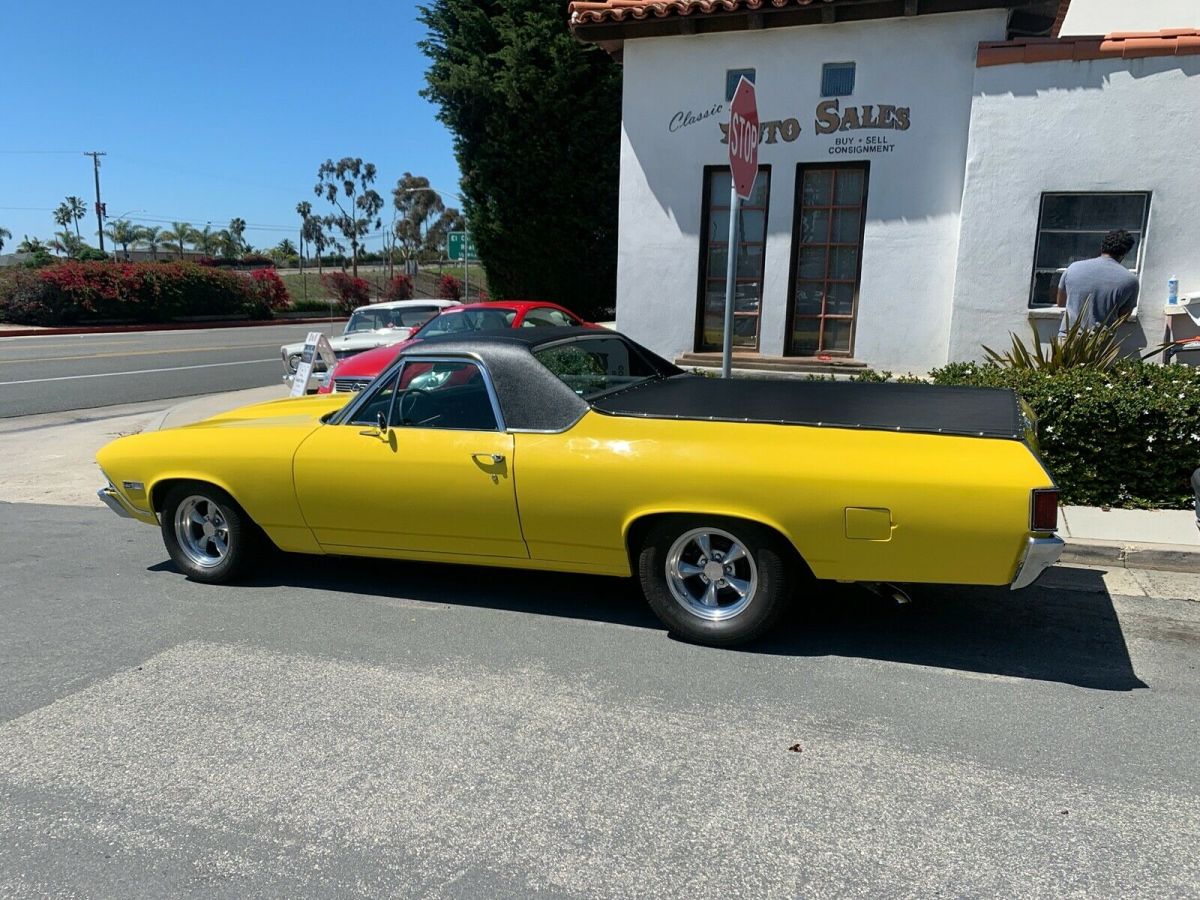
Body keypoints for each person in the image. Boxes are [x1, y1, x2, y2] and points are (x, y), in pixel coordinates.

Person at [1055, 229, 1140, 337]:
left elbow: (1061, 302)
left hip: (1068, 337)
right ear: (1124, 253)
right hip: (1099, 344)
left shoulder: (1073, 268)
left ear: (1101, 247)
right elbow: (1123, 316)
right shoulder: (1130, 280)